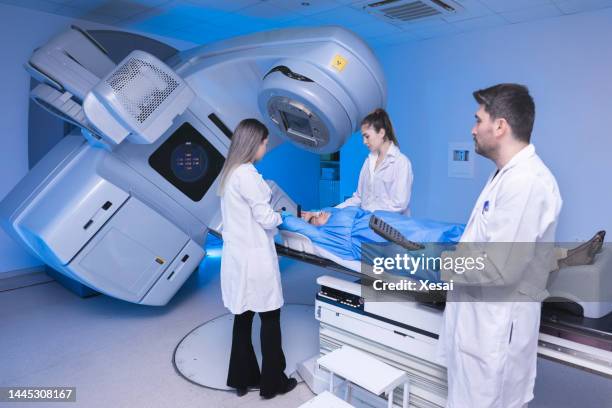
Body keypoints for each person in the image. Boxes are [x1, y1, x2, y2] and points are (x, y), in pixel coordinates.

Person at [437, 84, 563, 408]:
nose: (473, 128)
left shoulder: (526, 182)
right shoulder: (505, 175)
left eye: (478, 120)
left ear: (500, 126)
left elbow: (498, 269)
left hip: (493, 339)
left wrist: (443, 264)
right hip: (478, 330)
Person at [217, 118, 297, 399]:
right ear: (254, 143)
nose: (266, 147)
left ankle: (242, 379)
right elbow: (265, 217)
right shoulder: (248, 175)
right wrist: (282, 217)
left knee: (243, 317)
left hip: (237, 259)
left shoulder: (229, 174)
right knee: (270, 319)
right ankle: (273, 384)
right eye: (264, 142)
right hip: (255, 259)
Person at [302, 108, 413, 219]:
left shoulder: (401, 163)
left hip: (390, 228)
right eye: (363, 137)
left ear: (382, 133)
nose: (364, 142)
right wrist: (325, 212)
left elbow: (399, 205)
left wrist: (365, 215)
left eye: (367, 136)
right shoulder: (369, 162)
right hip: (367, 225)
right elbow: (358, 199)